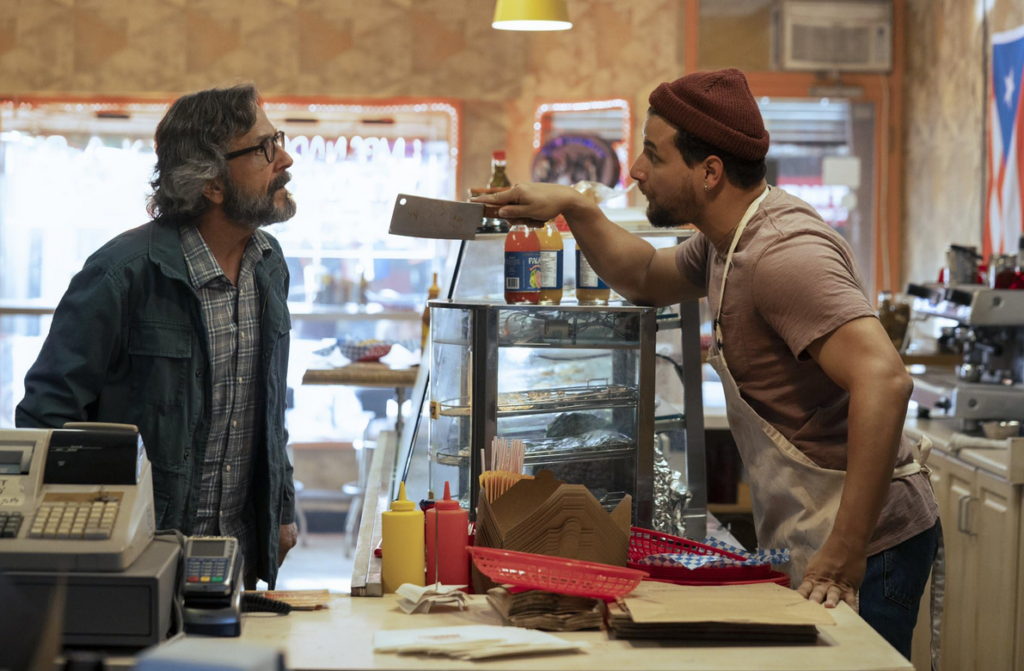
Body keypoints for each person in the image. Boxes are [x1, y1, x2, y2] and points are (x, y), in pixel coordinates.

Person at [474, 68, 940, 659]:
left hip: (872, 543)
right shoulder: (726, 242)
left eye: (652, 155)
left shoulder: (781, 255)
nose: (636, 171)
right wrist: (573, 205)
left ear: (710, 171)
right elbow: (644, 277)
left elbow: (886, 379)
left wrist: (845, 555)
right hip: (819, 527)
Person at [16, 83, 299, 589]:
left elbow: (271, 411)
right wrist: (86, 541)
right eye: (264, 148)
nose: (285, 157)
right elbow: (45, 421)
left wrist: (280, 510)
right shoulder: (120, 275)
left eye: (276, 139)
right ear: (212, 183)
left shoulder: (270, 267)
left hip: (238, 558)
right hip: (138, 563)